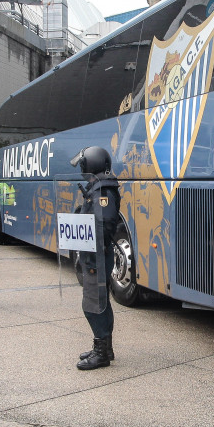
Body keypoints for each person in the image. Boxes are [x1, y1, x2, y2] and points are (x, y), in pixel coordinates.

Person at [72, 146, 121, 371]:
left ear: (90, 164)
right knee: (100, 301)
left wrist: (91, 244)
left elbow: (104, 223)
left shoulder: (102, 191)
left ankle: (101, 353)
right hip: (95, 254)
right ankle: (105, 348)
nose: (82, 168)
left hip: (96, 256)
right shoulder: (99, 188)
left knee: (92, 303)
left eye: (83, 164)